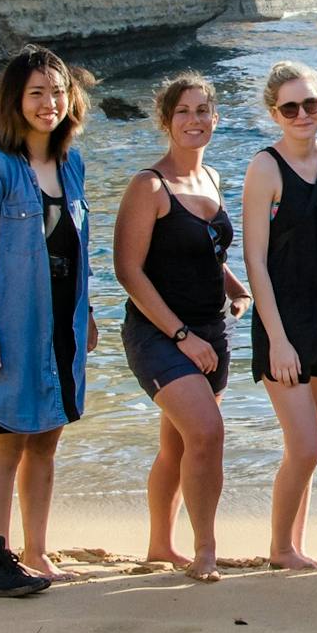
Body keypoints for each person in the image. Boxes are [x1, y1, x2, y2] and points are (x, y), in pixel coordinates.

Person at [0, 46, 97, 597]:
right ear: (14, 100)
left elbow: (81, 251)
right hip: (10, 322)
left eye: (57, 92)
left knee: (46, 441)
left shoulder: (72, 164)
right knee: (6, 440)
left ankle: (36, 551)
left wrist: (87, 314)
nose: (49, 103)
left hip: (61, 320)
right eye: (36, 93)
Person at [114, 73, 251, 583]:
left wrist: (236, 289)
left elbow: (206, 253)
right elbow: (128, 271)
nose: (195, 121)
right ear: (166, 121)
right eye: (184, 112)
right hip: (160, 333)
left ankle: (159, 546)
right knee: (208, 433)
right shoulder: (149, 185)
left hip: (213, 330)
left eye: (203, 111)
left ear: (215, 118)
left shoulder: (211, 177)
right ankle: (205, 550)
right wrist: (180, 337)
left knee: (178, 445)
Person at [241, 61, 317, 570]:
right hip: (282, 325)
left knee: (306, 444)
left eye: (311, 104)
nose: (302, 114)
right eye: (291, 107)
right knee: (305, 447)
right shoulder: (265, 168)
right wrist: (277, 340)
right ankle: (281, 549)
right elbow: (254, 261)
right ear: (274, 114)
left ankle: (293, 544)